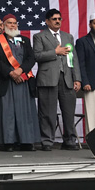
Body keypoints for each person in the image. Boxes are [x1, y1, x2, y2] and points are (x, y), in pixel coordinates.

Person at [33, 9, 81, 151]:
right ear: (47, 21)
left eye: (59, 18)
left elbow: (74, 59)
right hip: (48, 78)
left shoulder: (68, 37)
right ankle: (47, 141)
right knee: (47, 112)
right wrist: (55, 52)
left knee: (68, 111)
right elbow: (37, 55)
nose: (57, 21)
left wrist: (77, 78)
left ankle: (70, 140)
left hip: (66, 78)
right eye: (54, 19)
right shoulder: (39, 37)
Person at [0, 14, 39, 152]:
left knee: (25, 112)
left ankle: (26, 142)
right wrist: (11, 72)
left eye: (14, 23)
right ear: (3, 25)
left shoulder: (24, 40)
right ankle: (8, 142)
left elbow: (31, 58)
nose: (12, 25)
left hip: (23, 81)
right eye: (9, 23)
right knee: (7, 112)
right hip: (7, 80)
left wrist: (20, 70)